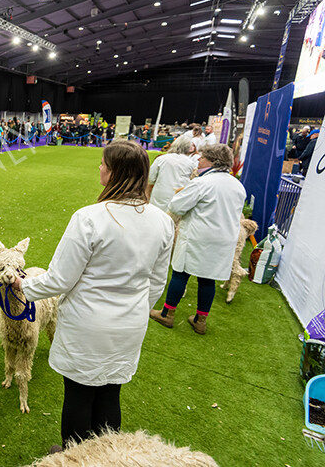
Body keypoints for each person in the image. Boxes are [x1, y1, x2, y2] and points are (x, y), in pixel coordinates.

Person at [14, 140, 174, 448]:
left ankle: (75, 457)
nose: (99, 167)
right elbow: (156, 282)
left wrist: (24, 286)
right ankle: (106, 457)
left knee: (79, 393)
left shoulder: (89, 218)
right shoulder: (162, 222)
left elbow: (60, 278)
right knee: (110, 391)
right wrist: (137, 309)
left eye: (104, 163)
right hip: (129, 325)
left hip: (88, 325)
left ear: (115, 172)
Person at [150, 143, 246, 335]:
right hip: (223, 239)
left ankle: (167, 313)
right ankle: (200, 320)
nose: (199, 160)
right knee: (207, 279)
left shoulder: (202, 183)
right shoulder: (237, 185)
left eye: (202, 157)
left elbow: (177, 206)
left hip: (197, 236)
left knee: (180, 274)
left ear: (212, 161)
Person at [146, 136, 197, 212]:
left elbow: (151, 178)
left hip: (160, 195)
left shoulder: (162, 159)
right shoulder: (190, 163)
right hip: (180, 195)